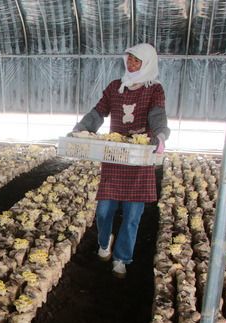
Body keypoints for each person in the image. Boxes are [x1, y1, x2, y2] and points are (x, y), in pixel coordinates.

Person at [72, 43, 169, 279]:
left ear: (146, 63)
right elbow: (98, 112)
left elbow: (157, 115)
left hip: (138, 159)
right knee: (104, 210)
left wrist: (160, 135)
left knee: (132, 216)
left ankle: (122, 258)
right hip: (115, 158)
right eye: (129, 59)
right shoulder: (116, 87)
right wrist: (81, 129)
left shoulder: (154, 89)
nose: (131, 63)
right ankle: (105, 242)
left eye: (137, 60)